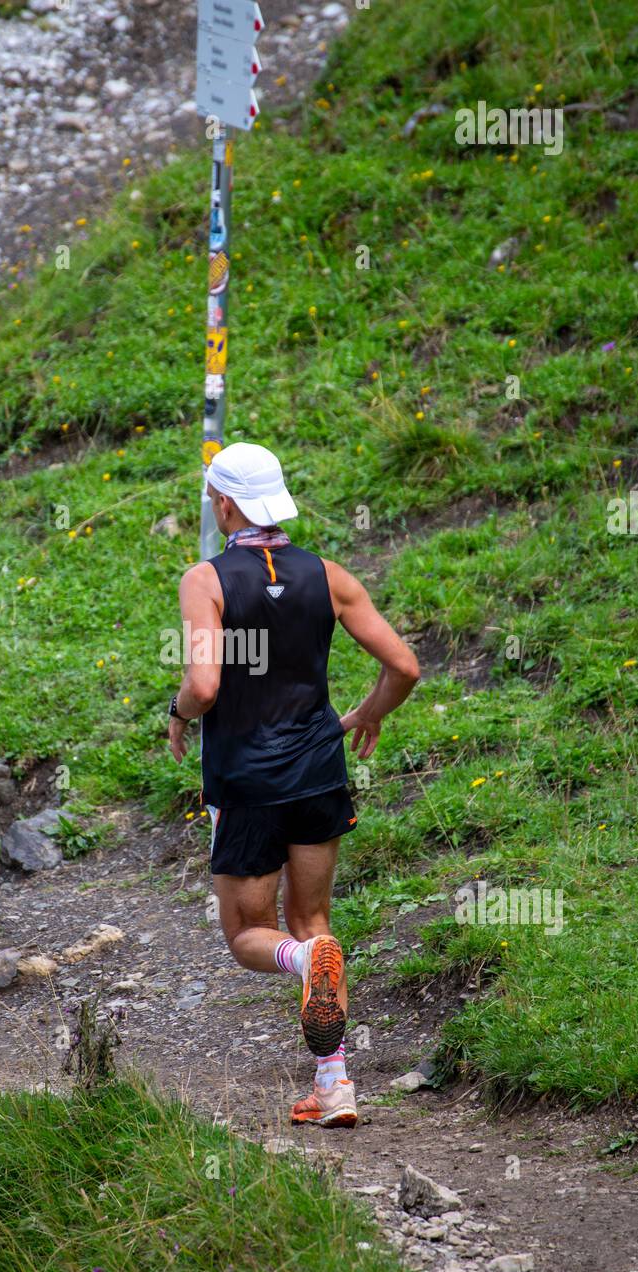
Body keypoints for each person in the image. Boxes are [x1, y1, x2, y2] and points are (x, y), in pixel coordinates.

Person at [168, 443, 420, 1126]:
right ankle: (335, 1088)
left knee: (253, 933)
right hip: (317, 771)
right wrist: (370, 712)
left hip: (246, 781)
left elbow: (205, 683)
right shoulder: (329, 575)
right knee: (316, 922)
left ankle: (301, 959)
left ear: (225, 504)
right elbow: (404, 666)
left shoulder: (207, 580)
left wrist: (177, 713)